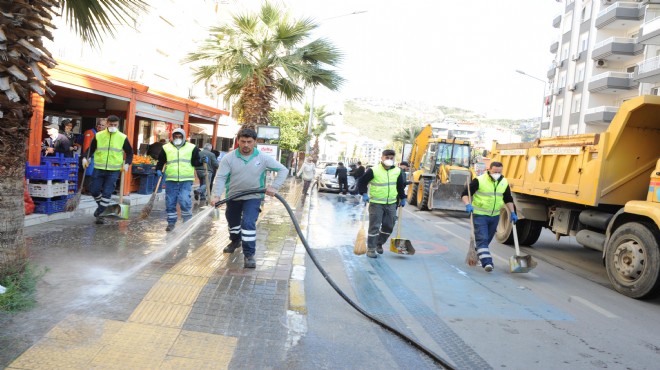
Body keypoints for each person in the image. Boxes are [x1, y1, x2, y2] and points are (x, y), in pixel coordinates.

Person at [211, 128, 288, 269]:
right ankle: (235, 241)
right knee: (232, 222)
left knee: (247, 223)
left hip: (253, 196)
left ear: (255, 142)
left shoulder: (263, 158)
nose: (246, 145)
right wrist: (216, 196)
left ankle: (249, 255)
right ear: (238, 141)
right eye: (243, 141)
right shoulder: (229, 158)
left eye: (249, 142)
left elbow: (283, 170)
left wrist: (274, 187)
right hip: (233, 196)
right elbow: (220, 177)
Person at [461, 161, 517, 272]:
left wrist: (512, 212)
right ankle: (487, 262)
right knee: (483, 239)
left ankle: (476, 256)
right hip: (480, 215)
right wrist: (468, 204)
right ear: (489, 170)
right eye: (494, 172)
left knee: (486, 241)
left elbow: (508, 199)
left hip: (495, 216)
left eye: (499, 172)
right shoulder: (479, 180)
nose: (497, 174)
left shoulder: (504, 182)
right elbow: (464, 194)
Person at [83, 115, 133, 224]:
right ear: (107, 124)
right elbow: (90, 149)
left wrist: (127, 164)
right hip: (99, 168)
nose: (113, 126)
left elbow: (129, 152)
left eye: (115, 125)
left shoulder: (122, 137)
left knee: (107, 192)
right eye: (111, 124)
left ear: (118, 125)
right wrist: (85, 158)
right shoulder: (99, 135)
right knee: (94, 190)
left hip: (114, 170)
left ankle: (99, 213)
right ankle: (105, 209)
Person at [357, 149, 407, 258]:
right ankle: (371, 248)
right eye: (387, 157)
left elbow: (400, 186)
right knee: (374, 226)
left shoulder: (397, 171)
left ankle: (379, 243)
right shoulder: (373, 170)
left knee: (389, 226)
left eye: (391, 158)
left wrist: (403, 197)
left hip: (391, 204)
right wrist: (364, 193)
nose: (389, 160)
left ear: (394, 159)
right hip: (376, 203)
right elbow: (361, 182)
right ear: (382, 158)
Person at [155, 128, 205, 232]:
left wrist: (202, 161)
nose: (177, 139)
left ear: (183, 137)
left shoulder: (192, 148)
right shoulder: (166, 148)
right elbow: (161, 161)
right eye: (175, 137)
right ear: (172, 137)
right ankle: (171, 222)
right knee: (170, 201)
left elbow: (195, 162)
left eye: (179, 137)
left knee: (184, 199)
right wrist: (158, 169)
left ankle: (187, 220)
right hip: (171, 179)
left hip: (186, 179)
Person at [81, 119, 106, 194]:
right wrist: (86, 156)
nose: (100, 126)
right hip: (91, 156)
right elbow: (86, 146)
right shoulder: (90, 132)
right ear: (96, 125)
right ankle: (88, 190)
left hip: (99, 157)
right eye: (99, 124)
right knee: (89, 173)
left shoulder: (103, 134)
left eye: (102, 125)